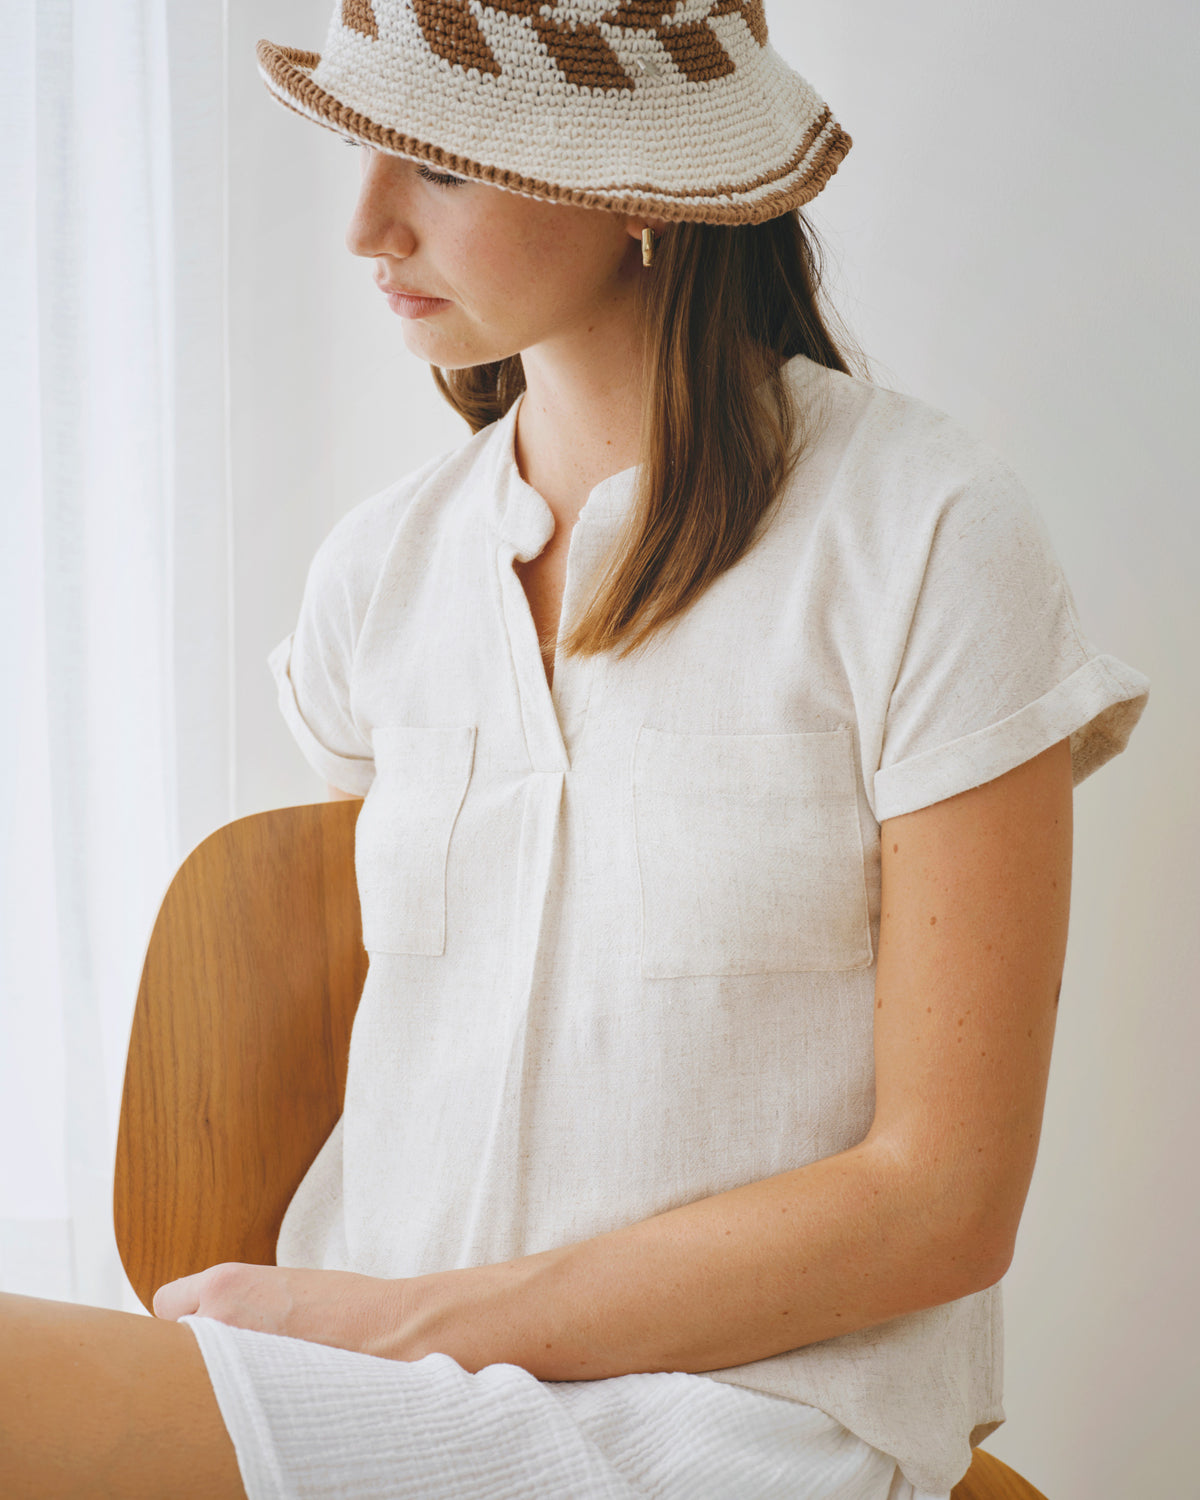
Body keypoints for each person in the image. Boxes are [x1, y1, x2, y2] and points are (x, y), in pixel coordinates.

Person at [0, 2, 1149, 1497]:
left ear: (635, 188)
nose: (365, 225)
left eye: (443, 169)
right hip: (362, 1377)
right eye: (365, 148)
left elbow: (942, 1201)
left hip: (736, 1423)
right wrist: (357, 1331)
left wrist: (384, 1322)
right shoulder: (379, 577)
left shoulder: (924, 537)